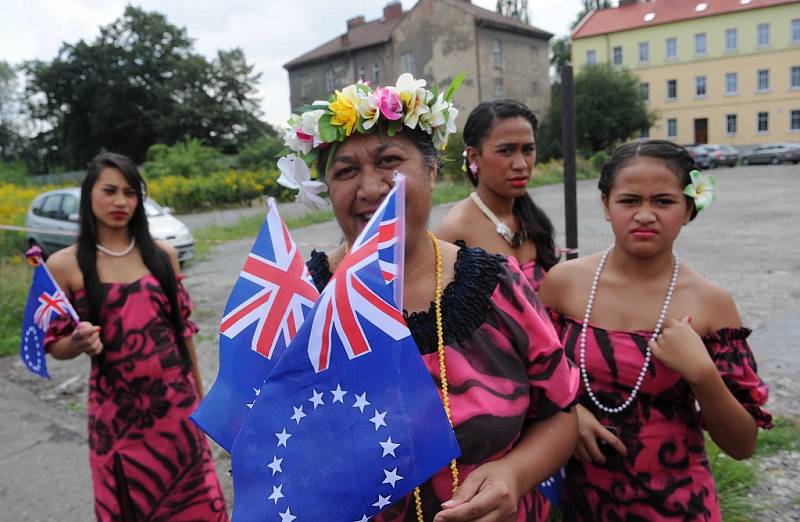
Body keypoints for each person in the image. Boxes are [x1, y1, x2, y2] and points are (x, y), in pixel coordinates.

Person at [280, 75, 579, 521]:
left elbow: (562, 414)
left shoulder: (497, 287)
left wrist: (514, 474)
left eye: (390, 161)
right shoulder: (299, 303)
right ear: (327, 189)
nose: (370, 188)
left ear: (433, 170)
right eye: (345, 171)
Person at [538, 140, 772, 520]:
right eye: (630, 200)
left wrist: (703, 374)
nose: (645, 215)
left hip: (677, 504)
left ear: (688, 209)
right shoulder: (564, 284)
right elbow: (527, 375)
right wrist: (568, 413)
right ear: (606, 206)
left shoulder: (711, 304)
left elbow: (743, 444)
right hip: (580, 500)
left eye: (663, 201)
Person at [44, 153, 228, 521]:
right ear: (88, 195)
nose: (120, 202)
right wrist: (77, 343)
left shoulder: (163, 256)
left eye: (130, 193)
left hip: (176, 410)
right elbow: (55, 345)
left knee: (199, 506)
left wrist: (201, 400)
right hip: (117, 420)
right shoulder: (64, 265)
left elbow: (184, 334)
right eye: (109, 191)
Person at [436, 99, 558, 291]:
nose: (521, 164)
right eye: (506, 151)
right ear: (474, 157)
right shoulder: (454, 231)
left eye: (528, 150)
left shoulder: (533, 220)